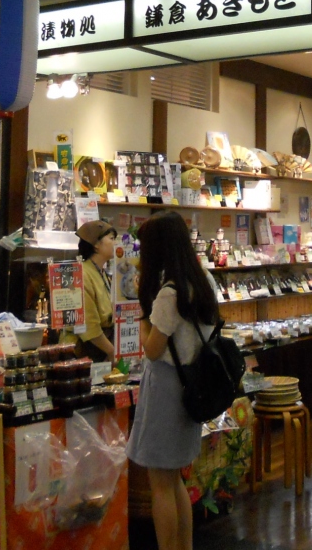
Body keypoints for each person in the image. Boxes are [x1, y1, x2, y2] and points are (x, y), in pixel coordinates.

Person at [126, 211, 218, 550]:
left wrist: (143, 316)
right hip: (191, 385)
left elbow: (152, 350)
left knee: (160, 485)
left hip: (166, 389)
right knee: (175, 478)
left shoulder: (169, 293)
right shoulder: (204, 280)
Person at [59, 219, 117, 362]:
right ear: (96, 244)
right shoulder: (79, 274)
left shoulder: (100, 272)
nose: (116, 243)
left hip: (100, 348)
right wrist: (112, 352)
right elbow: (87, 324)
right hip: (81, 352)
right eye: (112, 239)